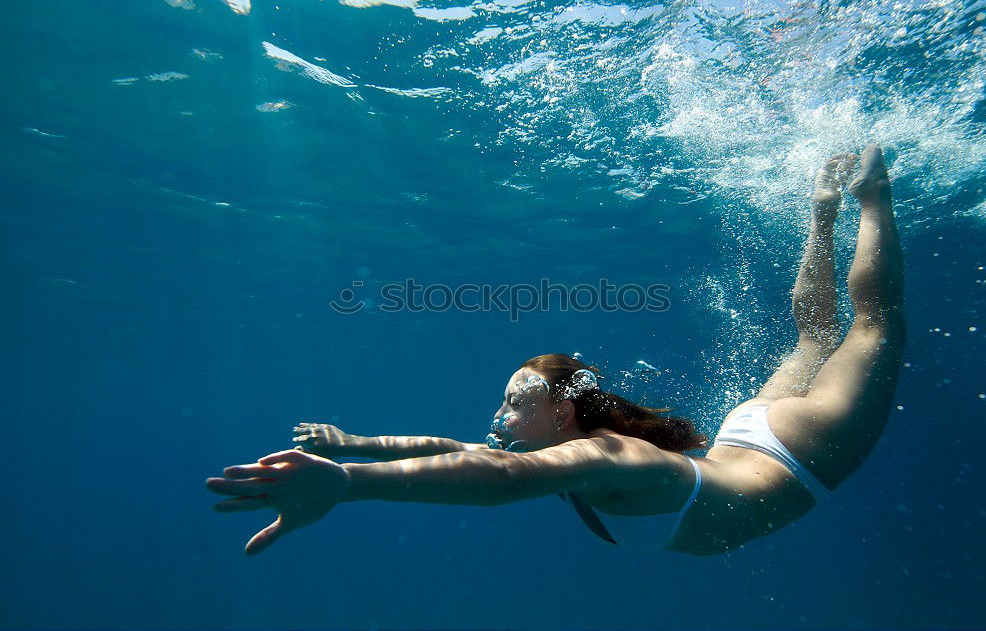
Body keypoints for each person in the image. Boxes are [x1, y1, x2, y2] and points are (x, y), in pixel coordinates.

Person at [206, 145, 905, 556]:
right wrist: (354, 443)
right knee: (819, 336)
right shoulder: (572, 447)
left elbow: (500, 481)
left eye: (516, 403)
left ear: (562, 415)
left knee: (873, 325)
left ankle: (870, 196)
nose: (500, 416)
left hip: (798, 457)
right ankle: (823, 213)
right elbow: (459, 450)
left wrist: (351, 483)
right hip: (743, 439)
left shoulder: (607, 453)